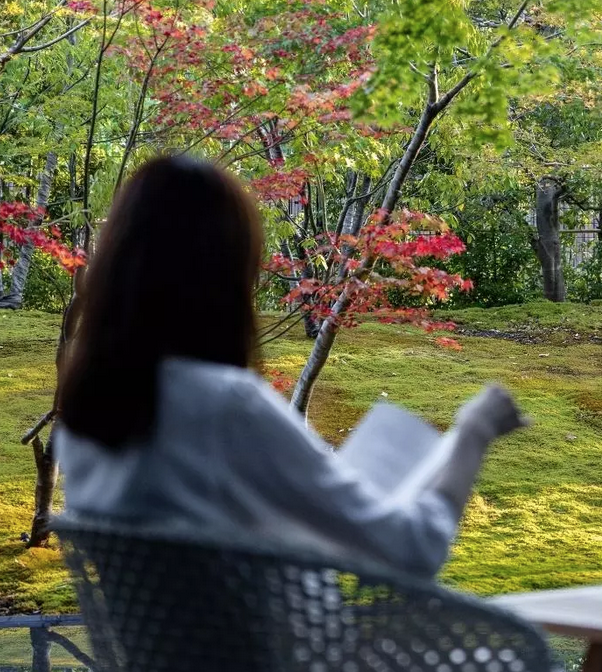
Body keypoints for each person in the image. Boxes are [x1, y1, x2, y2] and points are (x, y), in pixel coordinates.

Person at [55, 154, 529, 578]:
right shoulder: (226, 406)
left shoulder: (82, 417)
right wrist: (472, 433)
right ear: (228, 273)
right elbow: (412, 548)